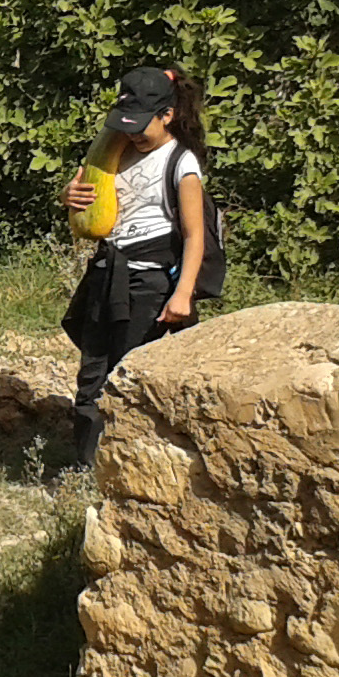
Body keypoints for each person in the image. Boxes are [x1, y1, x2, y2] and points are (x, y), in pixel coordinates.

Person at [61, 65, 221, 470]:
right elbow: (94, 217)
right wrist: (71, 199)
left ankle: (135, 470)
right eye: (124, 123)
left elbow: (194, 236)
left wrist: (183, 293)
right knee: (92, 376)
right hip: (107, 273)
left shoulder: (182, 164)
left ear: (166, 115)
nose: (131, 133)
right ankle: (87, 472)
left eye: (139, 124)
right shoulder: (113, 157)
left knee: (130, 376)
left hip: (150, 281)